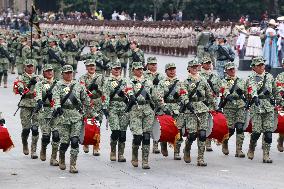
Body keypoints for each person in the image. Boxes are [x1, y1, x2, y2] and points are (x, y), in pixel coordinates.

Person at [53, 65, 93, 173]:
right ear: (62, 74)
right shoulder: (58, 85)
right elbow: (56, 97)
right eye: (66, 73)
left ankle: (73, 165)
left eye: (70, 72)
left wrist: (93, 113)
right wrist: (57, 107)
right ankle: (61, 157)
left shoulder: (79, 86)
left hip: (76, 116)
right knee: (65, 142)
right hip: (64, 117)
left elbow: (86, 101)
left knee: (75, 140)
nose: (69, 74)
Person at [181, 59, 214, 166]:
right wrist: (187, 102)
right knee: (192, 134)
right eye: (193, 67)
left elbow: (209, 94)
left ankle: (200, 158)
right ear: (189, 68)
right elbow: (183, 94)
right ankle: (187, 147)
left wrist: (214, 106)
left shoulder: (203, 80)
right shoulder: (185, 81)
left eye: (196, 66)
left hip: (203, 109)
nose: (195, 68)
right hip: (191, 110)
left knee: (203, 134)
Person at [246, 56, 274, 163]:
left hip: (268, 107)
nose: (262, 66)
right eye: (259, 65)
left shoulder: (270, 77)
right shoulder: (251, 77)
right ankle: (252, 146)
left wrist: (278, 100)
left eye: (262, 64)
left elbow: (275, 91)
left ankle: (266, 155)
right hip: (257, 107)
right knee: (257, 132)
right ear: (254, 67)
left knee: (268, 133)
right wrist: (255, 96)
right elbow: (251, 88)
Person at [128, 62, 155, 169]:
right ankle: (134, 155)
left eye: (141, 69)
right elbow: (128, 90)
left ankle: (145, 160)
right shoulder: (130, 81)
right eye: (137, 69)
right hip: (136, 110)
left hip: (148, 110)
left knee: (147, 136)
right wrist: (131, 96)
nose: (140, 71)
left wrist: (162, 105)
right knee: (138, 136)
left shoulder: (148, 81)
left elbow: (154, 94)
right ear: (133, 70)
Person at [13, 59, 42, 158]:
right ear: (24, 67)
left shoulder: (39, 77)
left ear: (34, 67)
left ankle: (33, 150)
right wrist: (29, 84)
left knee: (35, 128)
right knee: (26, 129)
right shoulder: (20, 77)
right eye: (28, 66)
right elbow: (20, 89)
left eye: (31, 66)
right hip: (25, 105)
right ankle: (25, 142)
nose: (30, 68)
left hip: (36, 105)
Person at [101, 61, 129, 162]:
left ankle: (121, 154)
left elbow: (129, 93)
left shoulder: (125, 81)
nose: (117, 70)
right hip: (113, 108)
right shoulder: (108, 81)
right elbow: (106, 95)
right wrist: (105, 107)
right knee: (116, 131)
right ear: (111, 70)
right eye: (115, 68)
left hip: (124, 108)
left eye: (118, 68)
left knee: (122, 132)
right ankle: (113, 150)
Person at [218, 62, 246, 157]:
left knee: (239, 127)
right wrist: (227, 95)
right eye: (230, 69)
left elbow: (247, 91)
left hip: (240, 106)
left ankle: (239, 150)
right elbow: (223, 89)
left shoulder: (241, 80)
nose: (232, 71)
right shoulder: (224, 81)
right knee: (230, 129)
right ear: (226, 71)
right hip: (229, 107)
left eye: (233, 69)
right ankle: (225, 142)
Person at [157, 63, 183, 160]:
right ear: (166, 71)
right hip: (166, 109)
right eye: (170, 70)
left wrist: (182, 105)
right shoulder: (162, 82)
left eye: (173, 69)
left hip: (177, 109)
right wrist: (164, 108)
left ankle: (177, 152)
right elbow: (159, 97)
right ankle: (164, 144)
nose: (172, 71)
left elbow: (184, 94)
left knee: (178, 129)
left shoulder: (179, 82)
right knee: (166, 129)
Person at [34, 64, 60, 165]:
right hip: (44, 111)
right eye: (47, 71)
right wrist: (39, 100)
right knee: (46, 136)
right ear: (43, 72)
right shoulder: (40, 84)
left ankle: (53, 158)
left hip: (55, 111)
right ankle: (43, 148)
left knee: (56, 135)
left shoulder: (58, 83)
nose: (50, 72)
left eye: (51, 70)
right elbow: (38, 93)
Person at [78, 59, 104, 156]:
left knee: (97, 125)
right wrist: (89, 88)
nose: (91, 67)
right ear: (86, 67)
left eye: (93, 65)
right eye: (89, 66)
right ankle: (86, 143)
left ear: (95, 67)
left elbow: (105, 89)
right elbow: (81, 89)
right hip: (87, 104)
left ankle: (96, 146)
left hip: (98, 102)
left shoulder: (100, 77)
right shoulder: (82, 78)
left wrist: (98, 89)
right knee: (87, 124)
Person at [200, 56, 222, 151]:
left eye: (209, 63)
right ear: (202, 64)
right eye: (206, 63)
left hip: (212, 102)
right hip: (202, 103)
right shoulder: (199, 75)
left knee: (210, 122)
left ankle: (208, 142)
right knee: (202, 123)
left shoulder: (215, 76)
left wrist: (217, 91)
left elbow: (220, 88)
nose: (208, 64)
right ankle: (201, 141)